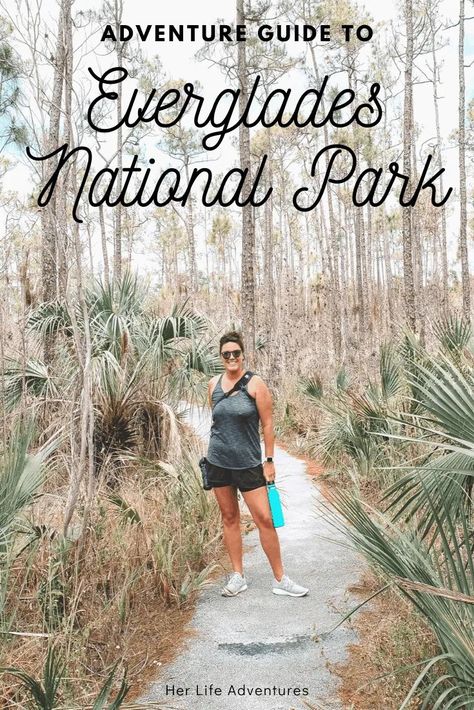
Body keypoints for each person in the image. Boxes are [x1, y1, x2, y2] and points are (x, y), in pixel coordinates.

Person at [206, 330, 309, 598]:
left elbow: (268, 424)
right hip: (218, 462)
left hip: (249, 464)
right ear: (221, 357)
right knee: (229, 518)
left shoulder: (255, 384)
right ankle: (238, 575)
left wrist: (270, 460)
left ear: (243, 355)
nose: (231, 358)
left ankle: (280, 579)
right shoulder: (213, 384)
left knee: (264, 518)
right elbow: (217, 421)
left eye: (236, 353)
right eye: (226, 354)